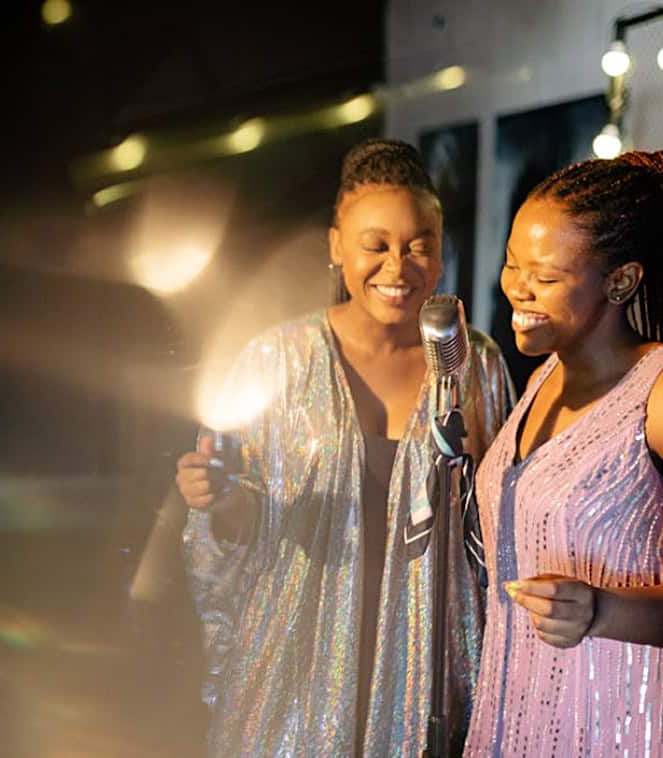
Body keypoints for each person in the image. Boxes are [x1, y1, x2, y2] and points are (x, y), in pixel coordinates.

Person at [175, 138, 515, 756]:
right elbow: (238, 536)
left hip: (429, 669)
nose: (398, 266)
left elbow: (495, 528)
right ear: (337, 246)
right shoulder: (276, 360)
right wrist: (217, 500)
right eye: (375, 245)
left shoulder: (475, 362)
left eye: (419, 245)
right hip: (298, 663)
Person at [464, 150, 663, 755]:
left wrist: (603, 610)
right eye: (511, 265)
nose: (517, 290)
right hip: (532, 713)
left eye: (545, 277)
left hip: (642, 722)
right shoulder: (541, 382)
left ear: (621, 281)